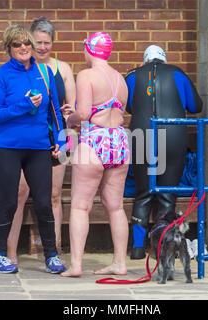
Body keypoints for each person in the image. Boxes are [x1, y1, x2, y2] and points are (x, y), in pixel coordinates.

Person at [0, 24, 66, 274]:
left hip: (40, 147)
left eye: (27, 43)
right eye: (17, 44)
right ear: (8, 49)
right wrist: (23, 105)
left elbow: (56, 110)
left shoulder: (44, 72)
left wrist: (63, 142)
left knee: (44, 202)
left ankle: (51, 255)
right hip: (8, 147)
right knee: (9, 202)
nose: (24, 48)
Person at [6, 17, 76, 265]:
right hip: (29, 138)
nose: (42, 47)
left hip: (58, 137)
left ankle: (53, 253)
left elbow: (73, 109)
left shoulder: (63, 69)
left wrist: (70, 112)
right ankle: (10, 252)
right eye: (38, 42)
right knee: (19, 194)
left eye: (47, 42)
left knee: (54, 195)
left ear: (53, 43)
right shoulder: (23, 68)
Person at [61, 32, 129, 277]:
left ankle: (76, 265)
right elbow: (110, 108)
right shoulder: (120, 78)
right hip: (119, 140)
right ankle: (120, 263)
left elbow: (85, 113)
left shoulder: (87, 75)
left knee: (80, 206)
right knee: (116, 207)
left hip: (95, 139)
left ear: (90, 49)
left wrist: (70, 117)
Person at [125, 45, 203, 259]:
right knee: (167, 194)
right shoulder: (177, 72)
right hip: (173, 136)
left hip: (142, 135)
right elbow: (196, 106)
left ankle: (138, 249)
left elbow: (129, 106)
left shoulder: (132, 75)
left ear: (145, 60)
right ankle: (163, 249)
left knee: (142, 194)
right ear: (164, 59)